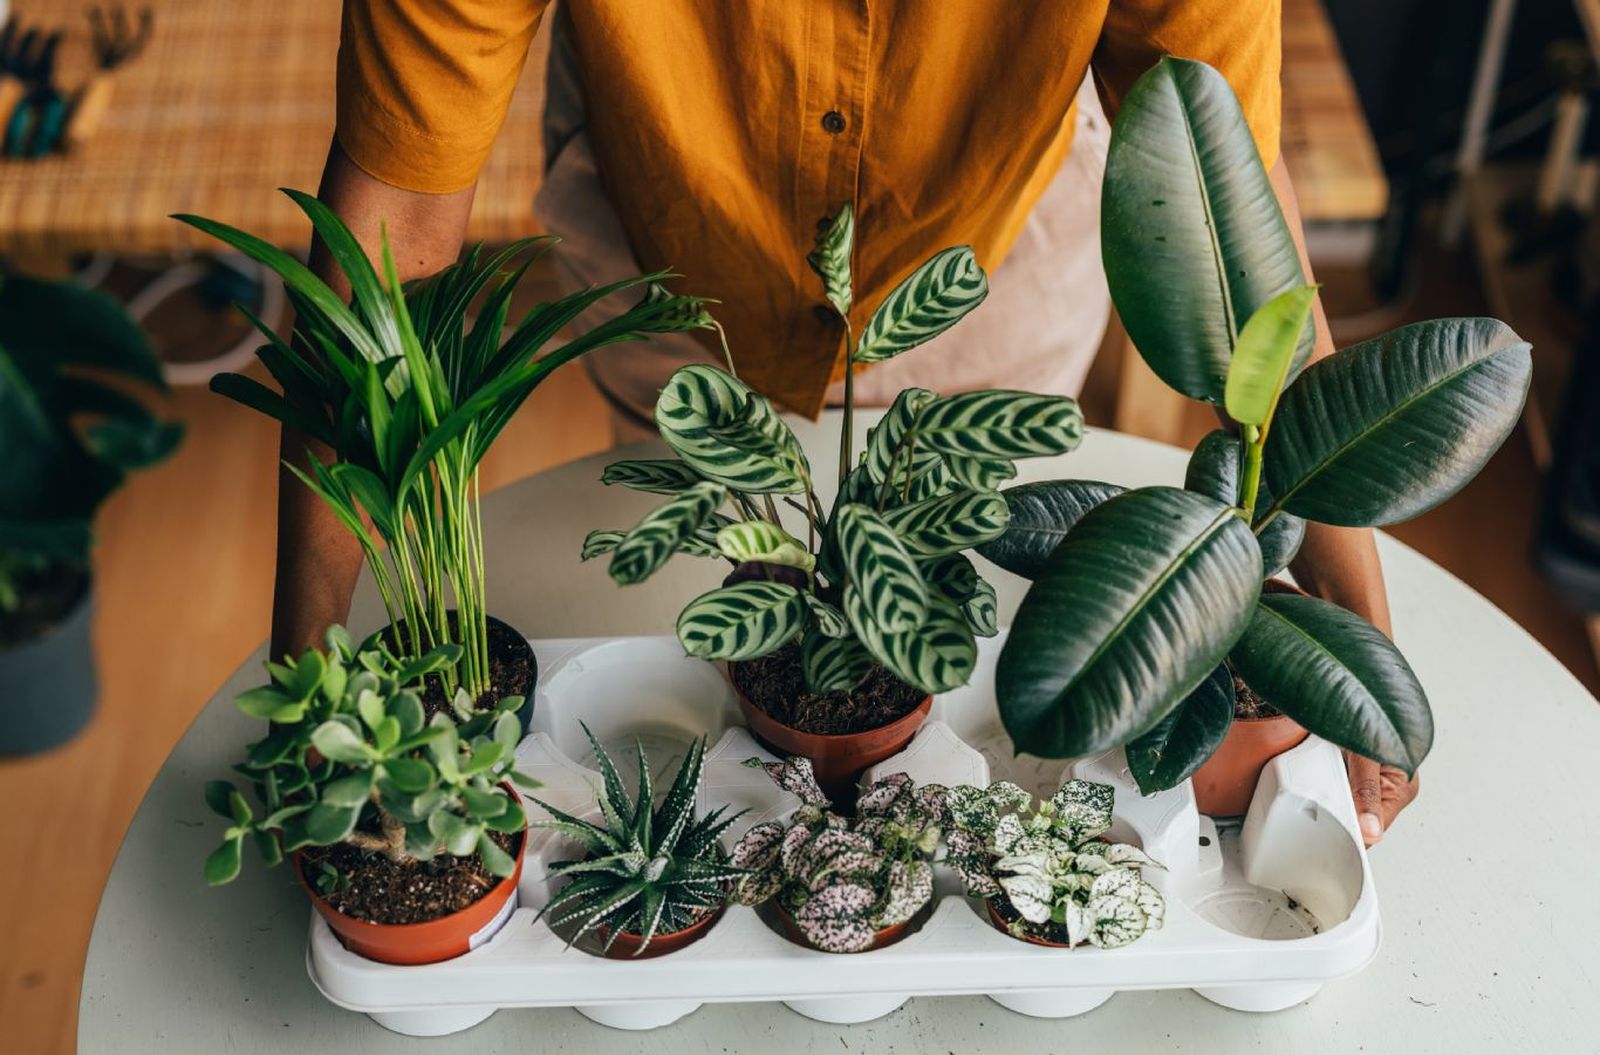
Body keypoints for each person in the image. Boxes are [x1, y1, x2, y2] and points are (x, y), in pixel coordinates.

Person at [278, 0, 1417, 843]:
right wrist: (306, 666)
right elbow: (394, 237)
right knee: (700, 597)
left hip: (991, 248)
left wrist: (1356, 645)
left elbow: (1235, 234)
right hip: (677, 231)